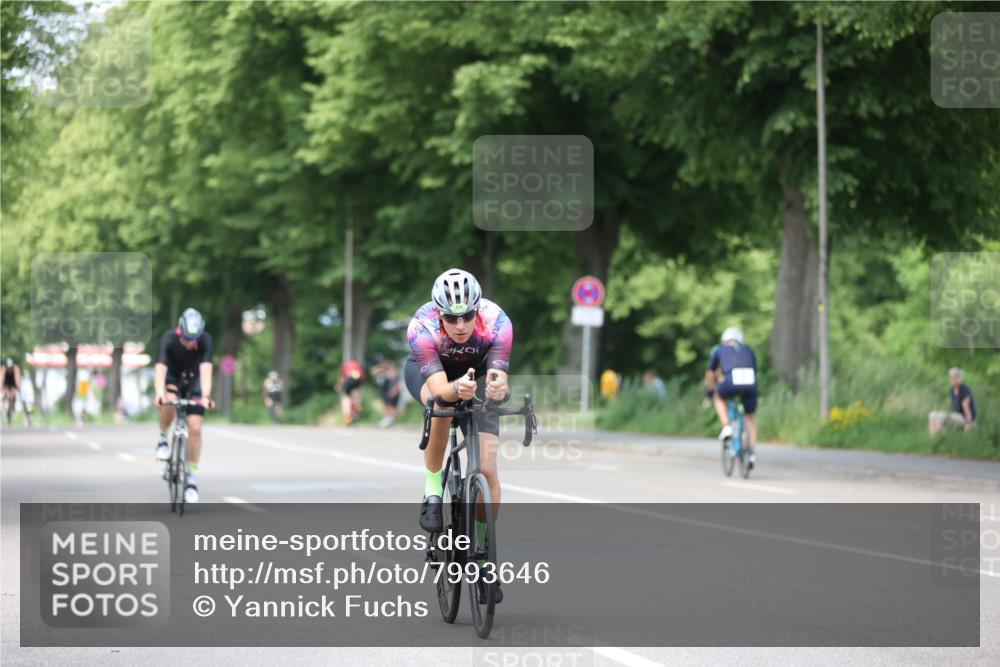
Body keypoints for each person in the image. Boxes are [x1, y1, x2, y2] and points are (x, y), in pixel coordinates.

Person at [404, 269, 513, 601]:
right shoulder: (421, 326)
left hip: (476, 375)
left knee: (488, 469)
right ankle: (433, 490)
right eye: (452, 318)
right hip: (432, 374)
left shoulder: (497, 322)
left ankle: (482, 550)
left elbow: (496, 375)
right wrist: (455, 390)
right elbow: (440, 388)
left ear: (477, 309)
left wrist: (497, 386)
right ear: (439, 313)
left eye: (467, 315)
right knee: (441, 405)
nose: (461, 324)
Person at [154, 308, 215, 503]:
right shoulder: (169, 339)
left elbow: (206, 370)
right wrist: (159, 394)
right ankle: (163, 438)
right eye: (188, 339)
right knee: (169, 400)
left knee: (195, 427)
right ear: (180, 331)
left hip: (194, 378)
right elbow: (160, 369)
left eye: (195, 340)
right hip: (173, 375)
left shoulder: (205, 340)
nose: (191, 344)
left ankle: (191, 477)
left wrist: (206, 396)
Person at [705, 327, 758, 465]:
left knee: (719, 397)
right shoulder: (748, 349)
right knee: (750, 417)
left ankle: (726, 425)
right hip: (750, 383)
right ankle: (751, 452)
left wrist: (710, 389)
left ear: (725, 340)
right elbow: (754, 369)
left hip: (731, 380)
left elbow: (711, 373)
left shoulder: (719, 349)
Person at [929, 367, 977, 435]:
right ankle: (934, 437)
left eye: (956, 377)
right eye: (952, 377)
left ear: (961, 378)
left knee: (942, 417)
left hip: (965, 418)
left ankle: (938, 438)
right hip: (957, 416)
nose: (953, 379)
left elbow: (966, 407)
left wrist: (968, 423)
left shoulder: (964, 389)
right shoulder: (952, 389)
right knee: (933, 415)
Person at [371, 357, 401, 427]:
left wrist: (395, 390)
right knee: (387, 405)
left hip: (391, 390)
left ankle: (390, 420)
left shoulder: (392, 372)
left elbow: (396, 382)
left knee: (391, 407)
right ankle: (388, 419)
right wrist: (382, 369)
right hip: (385, 391)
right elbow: (373, 372)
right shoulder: (383, 371)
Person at [337, 358, 365, 425]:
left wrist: (338, 386)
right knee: (356, 392)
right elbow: (363, 378)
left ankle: (347, 416)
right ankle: (356, 405)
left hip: (348, 379)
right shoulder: (358, 365)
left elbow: (342, 378)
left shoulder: (345, 365)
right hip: (358, 380)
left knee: (346, 397)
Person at [2, 357, 23, 423]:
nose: (9, 368)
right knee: (5, 394)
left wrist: (18, 387)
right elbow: (2, 379)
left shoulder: (15, 369)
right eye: (9, 367)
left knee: (14, 394)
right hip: (6, 383)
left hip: (13, 383)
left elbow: (17, 378)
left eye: (10, 367)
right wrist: (2, 387)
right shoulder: (4, 369)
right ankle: (3, 405)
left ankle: (13, 406)